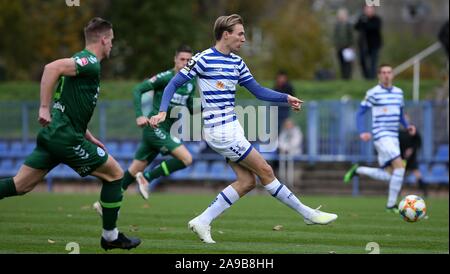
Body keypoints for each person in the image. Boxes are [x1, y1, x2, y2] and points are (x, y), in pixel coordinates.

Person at [148, 14, 338, 244]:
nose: (244, 39)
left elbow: (258, 91)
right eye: (240, 34)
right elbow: (173, 84)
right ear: (226, 35)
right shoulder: (203, 59)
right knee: (266, 171)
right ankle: (308, 214)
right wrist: (163, 111)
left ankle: (203, 220)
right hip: (219, 131)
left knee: (248, 182)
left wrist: (285, 98)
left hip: (233, 127)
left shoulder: (237, 62)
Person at [0, 18, 140, 251]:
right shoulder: (90, 62)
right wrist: (43, 107)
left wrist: (88, 136)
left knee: (20, 185)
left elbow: (68, 106)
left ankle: (111, 236)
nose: (112, 45)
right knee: (115, 175)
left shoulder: (80, 61)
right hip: (65, 138)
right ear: (104, 39)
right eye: (112, 40)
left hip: (57, 134)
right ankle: (110, 236)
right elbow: (50, 68)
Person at [93, 45, 196, 209]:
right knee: (186, 159)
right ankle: (147, 177)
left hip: (164, 132)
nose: (185, 63)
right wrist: (140, 114)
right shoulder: (165, 77)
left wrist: (209, 108)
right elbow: (138, 89)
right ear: (175, 60)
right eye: (182, 59)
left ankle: (103, 204)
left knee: (132, 171)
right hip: (155, 128)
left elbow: (190, 107)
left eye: (189, 60)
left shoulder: (191, 82)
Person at [344, 64, 416, 213]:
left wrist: (407, 125)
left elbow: (400, 113)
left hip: (393, 137)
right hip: (381, 136)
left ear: (393, 75)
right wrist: (362, 131)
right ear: (379, 75)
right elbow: (360, 113)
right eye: (383, 72)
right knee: (400, 167)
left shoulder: (398, 93)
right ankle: (391, 205)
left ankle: (359, 170)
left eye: (389, 72)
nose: (386, 75)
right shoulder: (373, 93)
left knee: (390, 175)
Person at [399, 115, 427, 197]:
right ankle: (397, 192)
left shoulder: (413, 130)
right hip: (402, 159)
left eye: (406, 119)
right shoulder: (399, 132)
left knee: (417, 174)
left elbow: (418, 142)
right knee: (399, 175)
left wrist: (412, 149)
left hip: (411, 159)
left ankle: (425, 191)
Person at [355, 5, 383, 80]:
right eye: (367, 9)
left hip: (374, 44)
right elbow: (356, 27)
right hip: (363, 45)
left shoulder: (376, 19)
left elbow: (373, 27)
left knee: (373, 62)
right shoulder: (362, 18)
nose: (368, 11)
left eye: (370, 9)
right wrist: (362, 20)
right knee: (362, 61)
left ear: (373, 10)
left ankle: (372, 77)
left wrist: (365, 23)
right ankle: (366, 77)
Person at [334, 8, 354, 80]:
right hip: (339, 47)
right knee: (341, 63)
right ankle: (343, 77)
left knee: (348, 63)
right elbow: (335, 36)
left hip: (347, 47)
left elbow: (352, 36)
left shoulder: (349, 25)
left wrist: (351, 45)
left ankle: (348, 77)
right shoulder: (337, 26)